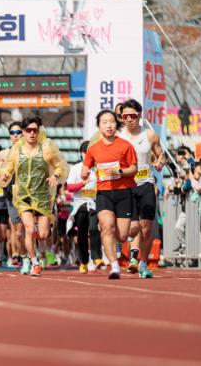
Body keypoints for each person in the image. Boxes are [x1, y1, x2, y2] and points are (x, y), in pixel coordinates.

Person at [0, 116, 69, 276]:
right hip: (23, 196)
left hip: (42, 195)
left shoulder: (46, 147)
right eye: (28, 130)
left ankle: (39, 251)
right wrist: (5, 174)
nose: (32, 133)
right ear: (23, 132)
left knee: (42, 234)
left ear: (38, 131)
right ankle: (33, 262)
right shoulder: (17, 150)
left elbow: (60, 166)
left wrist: (55, 176)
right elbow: (8, 167)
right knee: (28, 229)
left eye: (34, 130)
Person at [81, 110, 138, 279]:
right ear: (99, 126)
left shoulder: (125, 145)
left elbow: (134, 168)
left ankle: (118, 248)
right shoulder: (93, 149)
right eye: (104, 122)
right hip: (104, 193)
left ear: (116, 124)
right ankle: (114, 266)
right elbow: (85, 169)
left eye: (112, 121)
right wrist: (85, 173)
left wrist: (119, 171)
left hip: (124, 192)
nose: (109, 125)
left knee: (122, 235)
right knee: (107, 227)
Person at [119, 99, 164, 278]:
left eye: (132, 115)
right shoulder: (118, 137)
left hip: (146, 183)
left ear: (139, 115)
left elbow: (160, 155)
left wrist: (160, 162)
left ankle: (142, 263)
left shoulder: (150, 135)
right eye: (125, 116)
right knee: (133, 227)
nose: (129, 119)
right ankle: (132, 255)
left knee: (147, 227)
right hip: (126, 185)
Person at [65, 140, 104, 273]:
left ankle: (96, 257)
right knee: (81, 234)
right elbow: (70, 187)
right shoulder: (76, 168)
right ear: (82, 153)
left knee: (93, 228)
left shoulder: (98, 168)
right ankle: (83, 261)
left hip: (94, 204)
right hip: (80, 205)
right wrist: (82, 183)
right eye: (86, 153)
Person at [0, 122, 25, 268]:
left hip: (29, 195)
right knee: (18, 231)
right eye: (12, 133)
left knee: (31, 229)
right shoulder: (3, 154)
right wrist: (2, 177)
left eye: (18, 132)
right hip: (12, 196)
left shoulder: (31, 151)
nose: (15, 135)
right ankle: (23, 256)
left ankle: (32, 257)